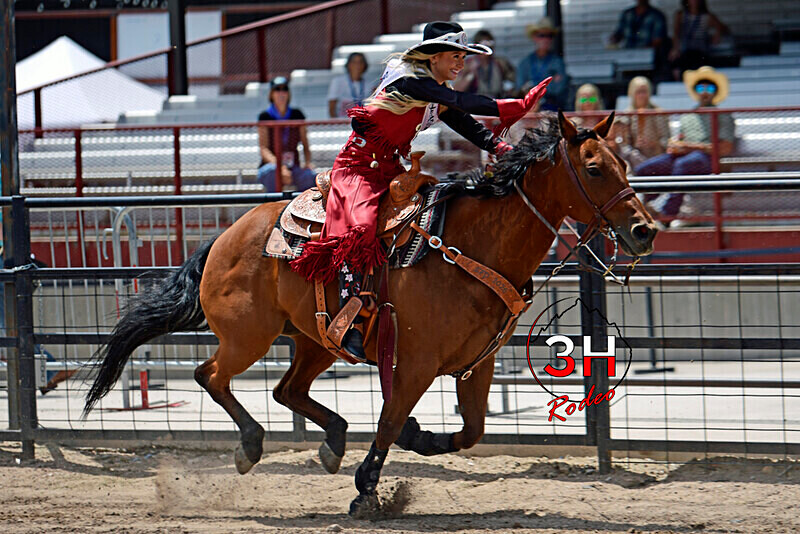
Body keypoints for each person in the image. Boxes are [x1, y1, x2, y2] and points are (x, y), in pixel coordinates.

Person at [289, 21, 551, 359]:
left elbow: (468, 124)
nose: (461, 63)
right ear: (434, 56)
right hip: (358, 170)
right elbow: (459, 100)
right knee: (362, 229)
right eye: (455, 56)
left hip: (392, 170)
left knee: (437, 211)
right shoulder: (412, 80)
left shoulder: (435, 91)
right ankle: (350, 316)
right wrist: (510, 106)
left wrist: (506, 152)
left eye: (463, 56)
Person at [635, 66, 735, 223]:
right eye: (700, 87)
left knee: (683, 165)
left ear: (715, 91)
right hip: (684, 157)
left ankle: (667, 214)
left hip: (707, 159)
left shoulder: (723, 116)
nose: (704, 92)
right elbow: (678, 140)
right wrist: (674, 146)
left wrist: (691, 147)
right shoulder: (687, 116)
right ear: (696, 90)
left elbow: (725, 148)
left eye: (709, 87)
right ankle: (646, 209)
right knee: (644, 169)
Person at [256, 77, 316, 193]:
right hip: (271, 166)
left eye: (285, 89)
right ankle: (274, 207)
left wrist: (307, 162)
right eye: (277, 89)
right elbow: (264, 149)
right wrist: (280, 167)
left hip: (293, 167)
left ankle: (302, 209)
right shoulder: (265, 116)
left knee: (310, 176)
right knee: (273, 172)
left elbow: (305, 142)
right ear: (271, 94)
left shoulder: (297, 114)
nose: (281, 93)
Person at [612, 76, 670, 169]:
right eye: (638, 92)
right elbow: (624, 145)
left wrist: (655, 144)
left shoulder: (659, 113)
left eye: (644, 92)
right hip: (634, 158)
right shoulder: (625, 116)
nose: (641, 96)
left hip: (657, 156)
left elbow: (666, 139)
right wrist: (635, 146)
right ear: (632, 94)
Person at [516, 17, 568, 111]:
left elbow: (559, 88)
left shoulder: (558, 62)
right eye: (542, 35)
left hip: (552, 108)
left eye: (549, 35)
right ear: (534, 37)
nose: (546, 39)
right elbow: (520, 88)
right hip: (530, 109)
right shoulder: (524, 63)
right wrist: (548, 85)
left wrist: (533, 86)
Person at [669, 0, 729, 80]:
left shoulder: (707, 16)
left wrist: (718, 33)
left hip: (701, 52)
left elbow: (724, 29)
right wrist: (675, 48)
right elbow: (676, 33)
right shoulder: (681, 15)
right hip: (685, 50)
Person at [453, 30, 515, 98]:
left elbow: (512, 82)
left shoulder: (501, 63)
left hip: (495, 102)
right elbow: (456, 90)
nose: (488, 47)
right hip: (475, 103)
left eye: (490, 43)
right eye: (484, 44)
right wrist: (471, 74)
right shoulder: (467, 64)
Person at [328, 52, 372, 118]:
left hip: (362, 122)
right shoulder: (338, 81)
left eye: (360, 62)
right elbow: (331, 107)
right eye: (354, 62)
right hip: (342, 122)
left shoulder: (370, 84)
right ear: (348, 65)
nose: (358, 65)